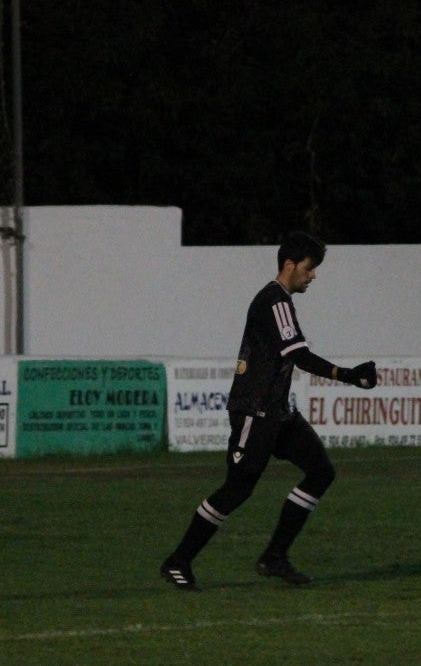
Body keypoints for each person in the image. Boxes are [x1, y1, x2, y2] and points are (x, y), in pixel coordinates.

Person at [160, 231, 377, 590]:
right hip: (255, 412)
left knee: (321, 471)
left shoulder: (281, 302)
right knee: (237, 489)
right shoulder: (274, 302)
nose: (313, 276)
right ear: (289, 265)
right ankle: (178, 561)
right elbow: (297, 355)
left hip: (278, 412)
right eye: (309, 268)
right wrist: (346, 375)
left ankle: (274, 556)